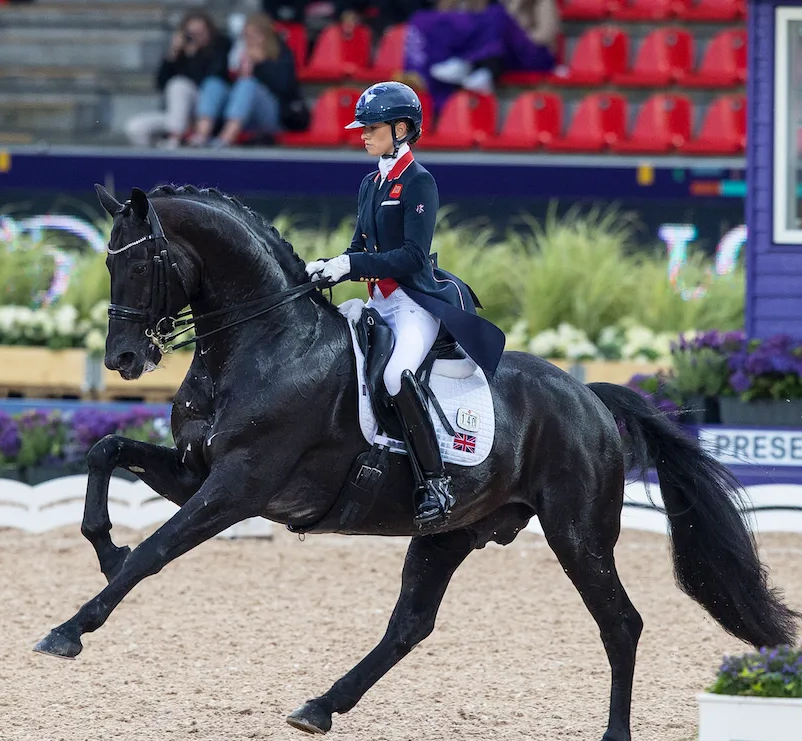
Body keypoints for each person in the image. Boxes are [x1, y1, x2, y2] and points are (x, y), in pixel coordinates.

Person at [305, 81, 506, 528]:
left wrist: (349, 263)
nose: (362, 134)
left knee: (398, 375)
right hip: (377, 300)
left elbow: (413, 257)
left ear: (400, 128)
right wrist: (330, 265)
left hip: (414, 302)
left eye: (371, 127)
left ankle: (435, 482)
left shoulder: (419, 182)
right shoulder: (370, 181)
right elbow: (358, 243)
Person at [186, 13, 305, 147]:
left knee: (247, 85)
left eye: (256, 35)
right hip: (235, 111)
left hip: (270, 115)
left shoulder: (281, 52)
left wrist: (260, 64)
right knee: (213, 83)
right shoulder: (236, 50)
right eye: (247, 36)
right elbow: (218, 77)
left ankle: (225, 139)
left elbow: (284, 86)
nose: (251, 40)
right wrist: (232, 65)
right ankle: (202, 134)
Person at [404, 0, 557, 104]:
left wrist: (512, 29)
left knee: (497, 16)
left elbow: (544, 37)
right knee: (424, 19)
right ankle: (469, 67)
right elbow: (470, 23)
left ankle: (472, 65)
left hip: (533, 56)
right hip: (504, 56)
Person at [125, 12, 229, 148]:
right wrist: (173, 53)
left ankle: (174, 141)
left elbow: (208, 81)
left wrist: (194, 55)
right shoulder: (179, 54)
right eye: (191, 33)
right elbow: (161, 84)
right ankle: (159, 158)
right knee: (135, 128)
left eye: (200, 33)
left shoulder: (219, 48)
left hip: (205, 112)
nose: (195, 37)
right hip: (178, 116)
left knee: (179, 84)